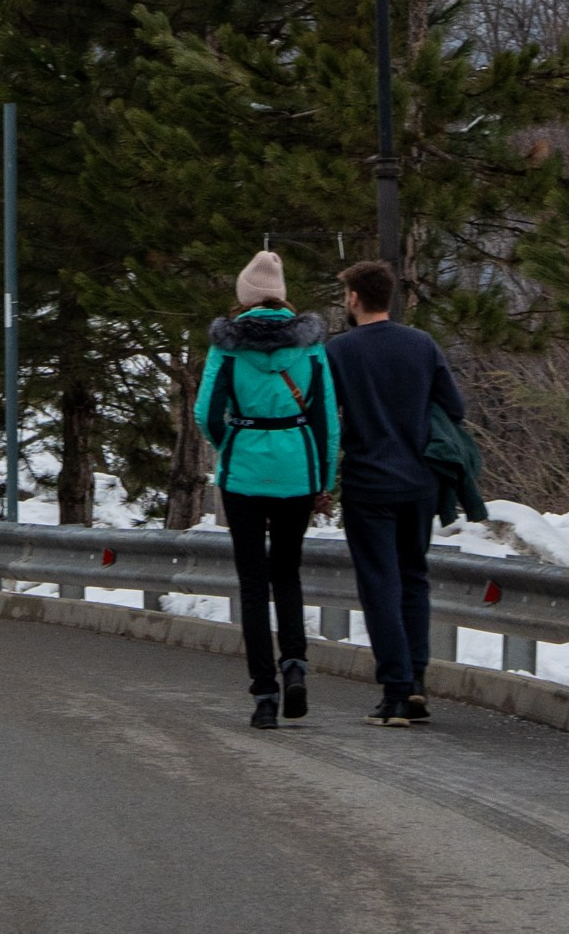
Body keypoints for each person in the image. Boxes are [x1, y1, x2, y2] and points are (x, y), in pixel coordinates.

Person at [195, 250, 338, 731]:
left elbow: (207, 415)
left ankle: (263, 695)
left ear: (244, 296)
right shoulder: (311, 345)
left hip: (244, 473)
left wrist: (233, 441)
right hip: (297, 466)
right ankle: (294, 664)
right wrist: (323, 478)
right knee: (288, 575)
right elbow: (325, 419)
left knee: (253, 585)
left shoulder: (227, 346)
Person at [324, 258, 465, 727]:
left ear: (355, 298)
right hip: (419, 481)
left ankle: (396, 690)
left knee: (379, 584)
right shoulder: (421, 344)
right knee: (413, 578)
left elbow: (326, 419)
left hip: (368, 482)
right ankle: (418, 682)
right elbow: (455, 406)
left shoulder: (338, 351)